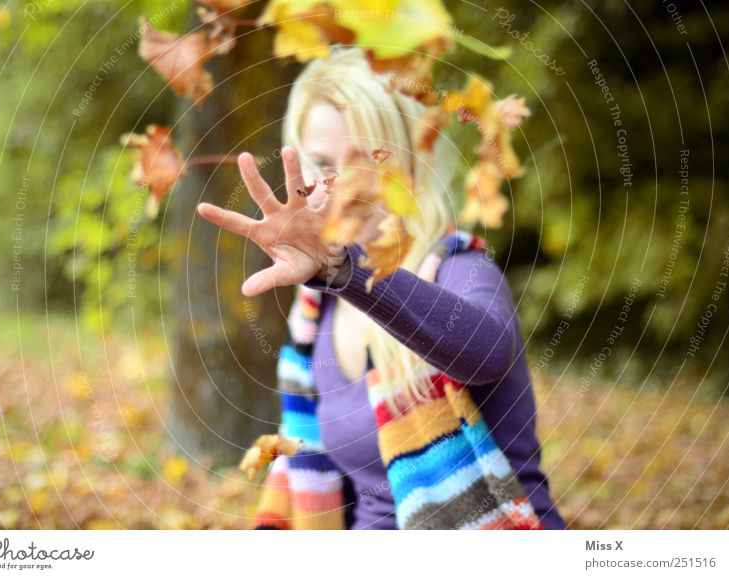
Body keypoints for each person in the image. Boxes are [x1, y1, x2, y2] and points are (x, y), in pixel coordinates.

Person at [197, 47, 565, 530]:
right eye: (323, 161)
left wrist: (347, 271)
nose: (342, 183)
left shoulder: (459, 265)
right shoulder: (314, 314)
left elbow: (486, 351)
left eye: (367, 157)